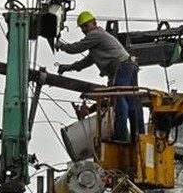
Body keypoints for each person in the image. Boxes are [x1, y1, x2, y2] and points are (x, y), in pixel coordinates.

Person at [56, 11, 145, 143]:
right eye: (82, 28)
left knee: (119, 98)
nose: (84, 30)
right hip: (129, 66)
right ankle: (139, 137)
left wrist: (62, 46)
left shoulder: (96, 34)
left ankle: (121, 136)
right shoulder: (98, 44)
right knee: (132, 102)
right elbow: (84, 62)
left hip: (122, 67)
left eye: (86, 26)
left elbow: (77, 48)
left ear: (94, 23)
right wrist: (67, 67)